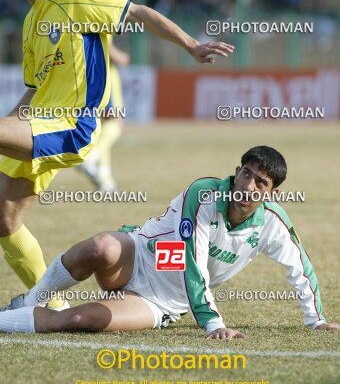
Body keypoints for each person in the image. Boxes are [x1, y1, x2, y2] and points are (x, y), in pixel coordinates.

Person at [0, 0, 234, 309]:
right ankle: (48, 306)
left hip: (73, 126)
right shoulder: (30, 23)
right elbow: (33, 89)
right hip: (38, 125)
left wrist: (191, 45)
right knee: (6, 224)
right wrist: (7, 128)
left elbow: (139, 13)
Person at [1, 146, 339, 338]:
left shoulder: (273, 224)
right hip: (135, 258)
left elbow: (302, 269)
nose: (249, 186)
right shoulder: (204, 194)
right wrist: (213, 323)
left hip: (160, 302)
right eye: (246, 174)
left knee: (77, 321)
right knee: (99, 247)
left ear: (272, 194)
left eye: (260, 182)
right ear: (236, 171)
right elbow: (191, 261)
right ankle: (33, 299)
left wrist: (316, 319)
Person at [77, 0, 130, 192]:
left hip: (80, 67)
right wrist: (119, 57)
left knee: (99, 121)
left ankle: (104, 177)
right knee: (115, 122)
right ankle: (92, 155)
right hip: (102, 68)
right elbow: (100, 38)